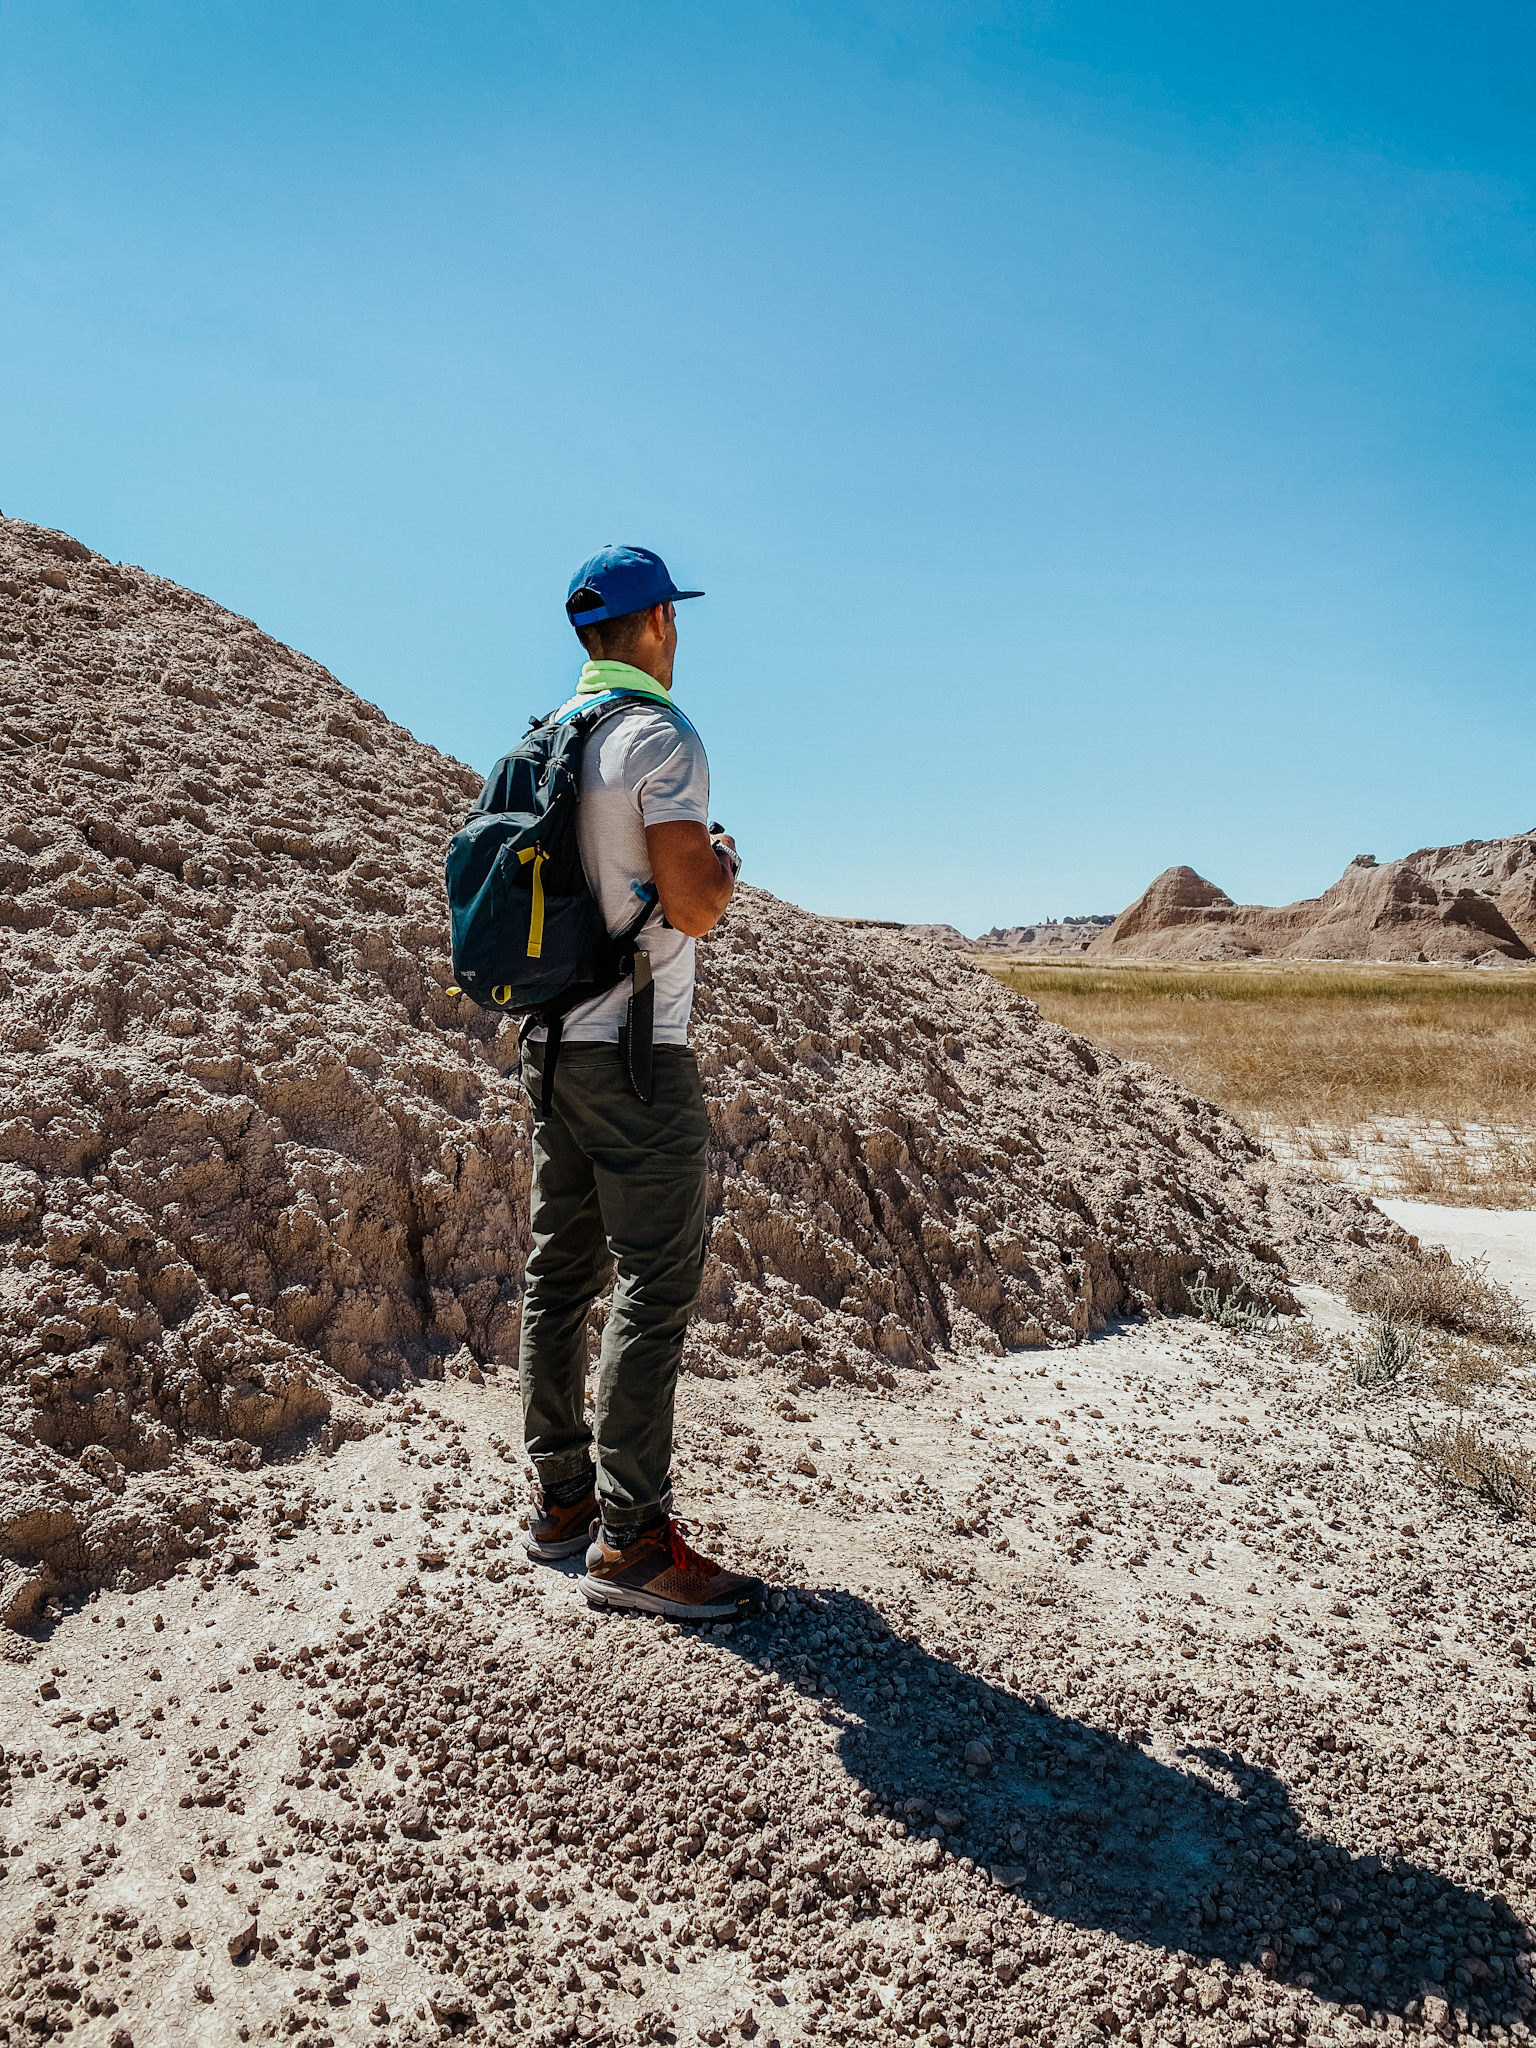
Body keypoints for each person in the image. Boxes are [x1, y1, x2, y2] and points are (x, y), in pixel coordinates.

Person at [518, 545, 765, 1621]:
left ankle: (563, 1502)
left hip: (551, 1044)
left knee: (559, 1272)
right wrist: (723, 859)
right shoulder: (659, 734)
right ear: (657, 619)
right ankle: (633, 1538)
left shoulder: (547, 741)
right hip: (637, 1050)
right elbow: (694, 902)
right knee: (655, 1282)